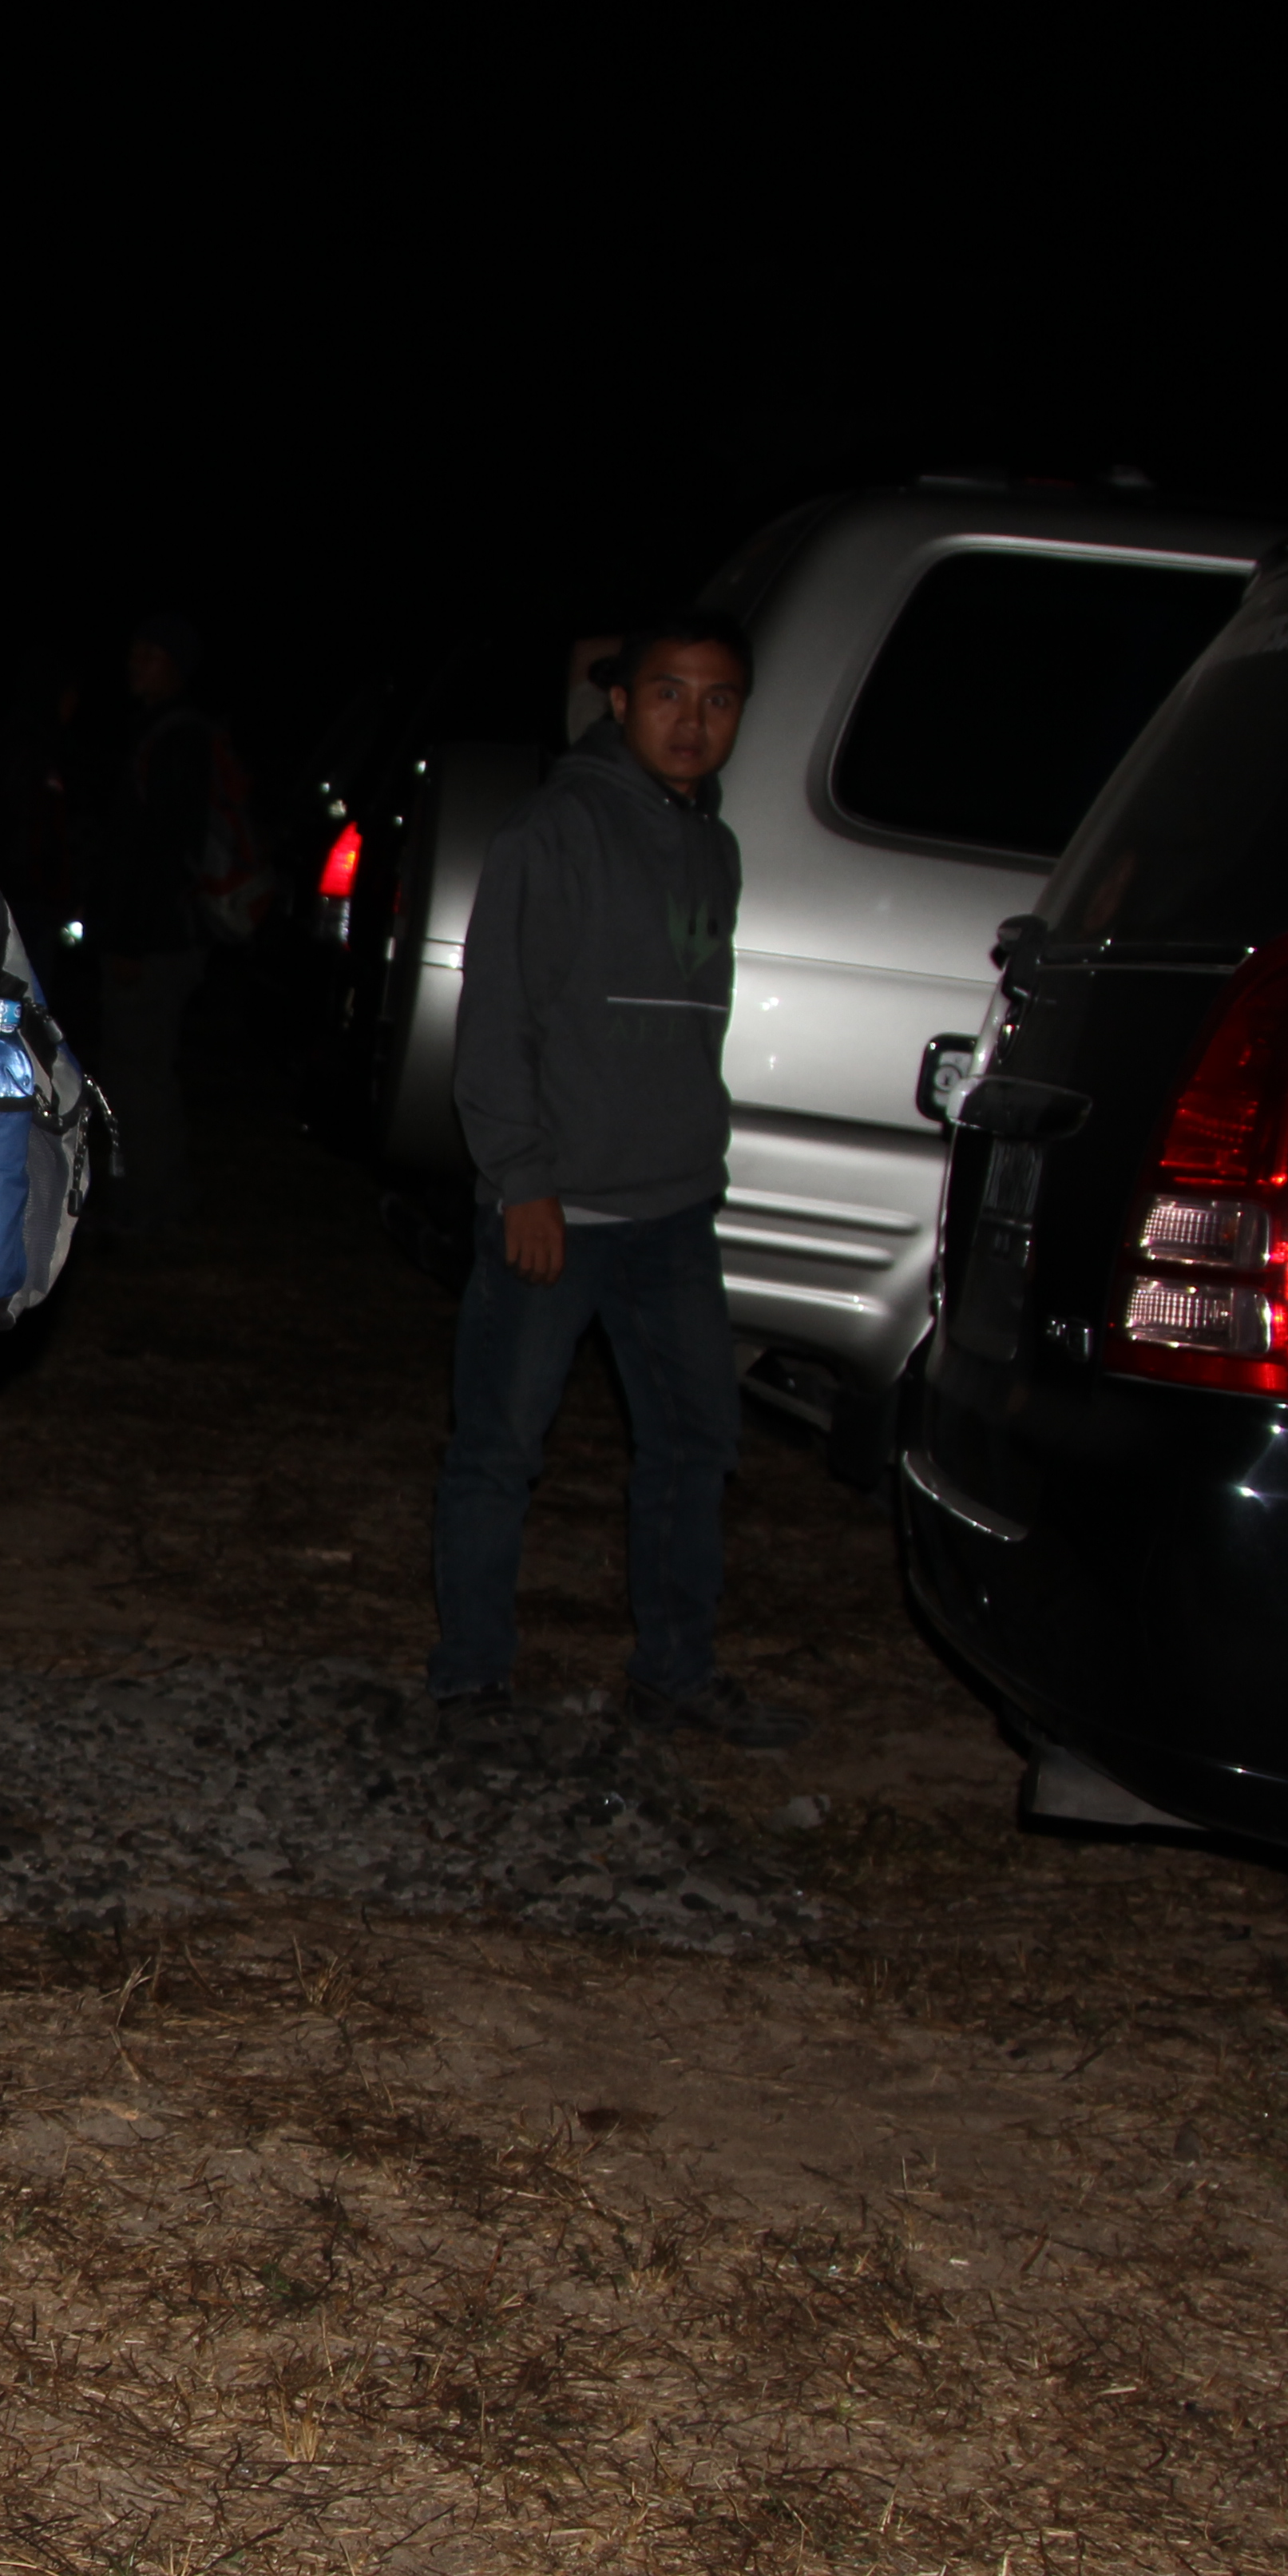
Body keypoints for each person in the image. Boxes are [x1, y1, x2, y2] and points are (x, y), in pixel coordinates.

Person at [432, 615, 810, 1751]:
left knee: (698, 1445)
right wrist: (523, 1181)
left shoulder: (713, 847)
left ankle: (676, 1675)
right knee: (502, 1449)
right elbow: (496, 1019)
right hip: (560, 1209)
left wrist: (700, 1157)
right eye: (669, 694)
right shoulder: (554, 832)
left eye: (719, 699)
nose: (693, 721)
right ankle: (469, 1685)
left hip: (674, 1209)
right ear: (620, 701)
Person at [80, 609, 221, 1238]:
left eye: (150, 654)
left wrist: (131, 940)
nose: (134, 664)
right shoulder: (157, 732)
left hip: (157, 941)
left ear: (177, 666)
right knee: (143, 1067)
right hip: (159, 935)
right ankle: (159, 1195)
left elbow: (162, 849)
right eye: (133, 651)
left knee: (137, 1071)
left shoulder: (177, 740)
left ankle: (148, 1203)